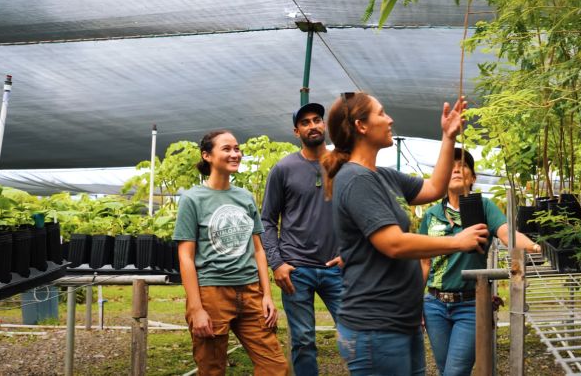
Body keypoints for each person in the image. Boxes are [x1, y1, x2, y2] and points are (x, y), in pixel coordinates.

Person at [320, 92, 489, 375]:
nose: (390, 119)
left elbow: (434, 188)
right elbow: (393, 243)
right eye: (382, 113)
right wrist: (456, 242)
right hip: (375, 326)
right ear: (361, 125)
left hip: (399, 322)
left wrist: (448, 138)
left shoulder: (383, 176)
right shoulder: (355, 179)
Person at [175, 129, 289, 376]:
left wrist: (266, 295)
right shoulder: (193, 199)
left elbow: (258, 249)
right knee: (212, 369)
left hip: (250, 293)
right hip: (212, 293)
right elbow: (185, 256)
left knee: (275, 366)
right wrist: (196, 308)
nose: (235, 154)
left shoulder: (245, 197)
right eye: (226, 149)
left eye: (237, 148)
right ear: (207, 155)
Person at [419, 147, 540, 376]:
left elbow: (507, 234)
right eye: (451, 165)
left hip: (470, 305)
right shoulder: (431, 214)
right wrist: (416, 304)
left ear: (473, 177)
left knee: (455, 372)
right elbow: (424, 262)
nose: (456, 168)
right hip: (434, 305)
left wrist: (535, 247)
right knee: (446, 369)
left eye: (463, 165)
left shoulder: (483, 207)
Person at [261, 103, 343, 376]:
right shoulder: (284, 168)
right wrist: (277, 263)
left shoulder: (342, 165)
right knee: (304, 340)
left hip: (337, 268)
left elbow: (356, 215)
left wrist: (351, 254)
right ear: (297, 131)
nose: (313, 126)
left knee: (355, 333)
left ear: (324, 125)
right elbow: (267, 220)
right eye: (305, 122)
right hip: (296, 269)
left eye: (317, 120)